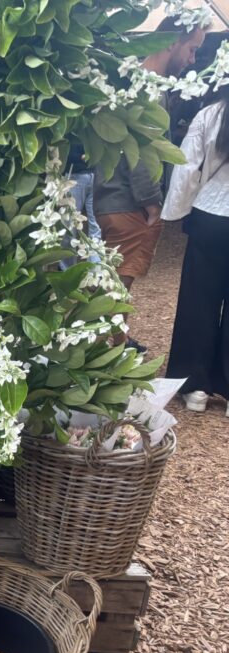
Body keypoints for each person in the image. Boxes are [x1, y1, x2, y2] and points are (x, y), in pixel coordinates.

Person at [93, 18, 207, 350]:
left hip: (113, 198)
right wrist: (153, 202)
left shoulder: (132, 81)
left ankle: (116, 342)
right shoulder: (148, 89)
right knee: (116, 288)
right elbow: (140, 152)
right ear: (171, 42)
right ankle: (107, 355)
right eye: (192, 49)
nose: (192, 60)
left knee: (113, 284)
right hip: (128, 202)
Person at [161, 85, 229, 414]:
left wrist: (176, 211)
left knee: (198, 300)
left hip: (210, 215)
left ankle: (195, 387)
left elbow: (186, 166)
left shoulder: (209, 115)